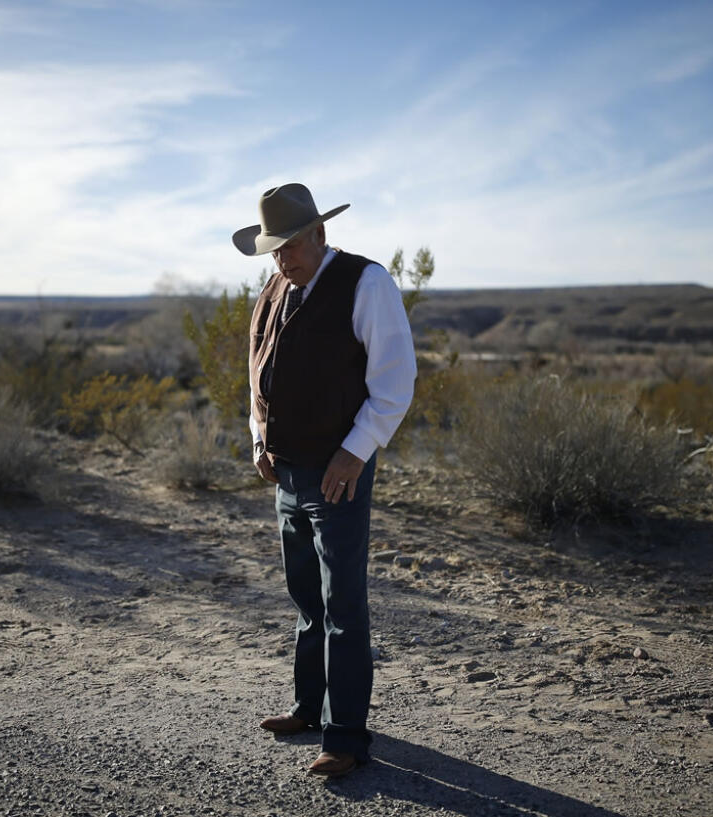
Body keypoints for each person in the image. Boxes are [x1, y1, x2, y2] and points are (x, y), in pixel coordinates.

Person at [232, 183, 416, 778]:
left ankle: (346, 737)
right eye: (273, 250)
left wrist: (355, 453)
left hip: (338, 473)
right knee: (306, 598)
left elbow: (395, 381)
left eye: (290, 246)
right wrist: (261, 439)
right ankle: (308, 710)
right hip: (286, 470)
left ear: (320, 234)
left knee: (343, 605)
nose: (282, 259)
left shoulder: (366, 283)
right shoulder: (274, 291)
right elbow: (258, 371)